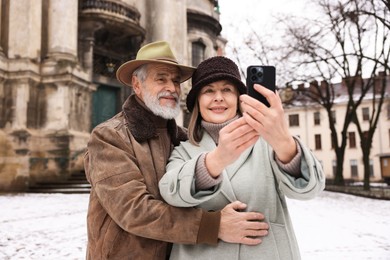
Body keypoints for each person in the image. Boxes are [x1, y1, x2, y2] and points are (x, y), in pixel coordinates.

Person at [84, 41, 269, 260]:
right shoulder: (110, 136)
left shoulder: (184, 139)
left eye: (175, 80)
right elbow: (133, 211)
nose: (171, 88)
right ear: (137, 84)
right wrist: (214, 226)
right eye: (161, 78)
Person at [159, 56, 326, 260]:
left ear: (239, 98)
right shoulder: (183, 150)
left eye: (227, 89)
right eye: (208, 90)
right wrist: (217, 160)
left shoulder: (268, 143)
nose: (218, 97)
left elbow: (309, 190)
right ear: (197, 103)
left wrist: (283, 142)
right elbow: (170, 193)